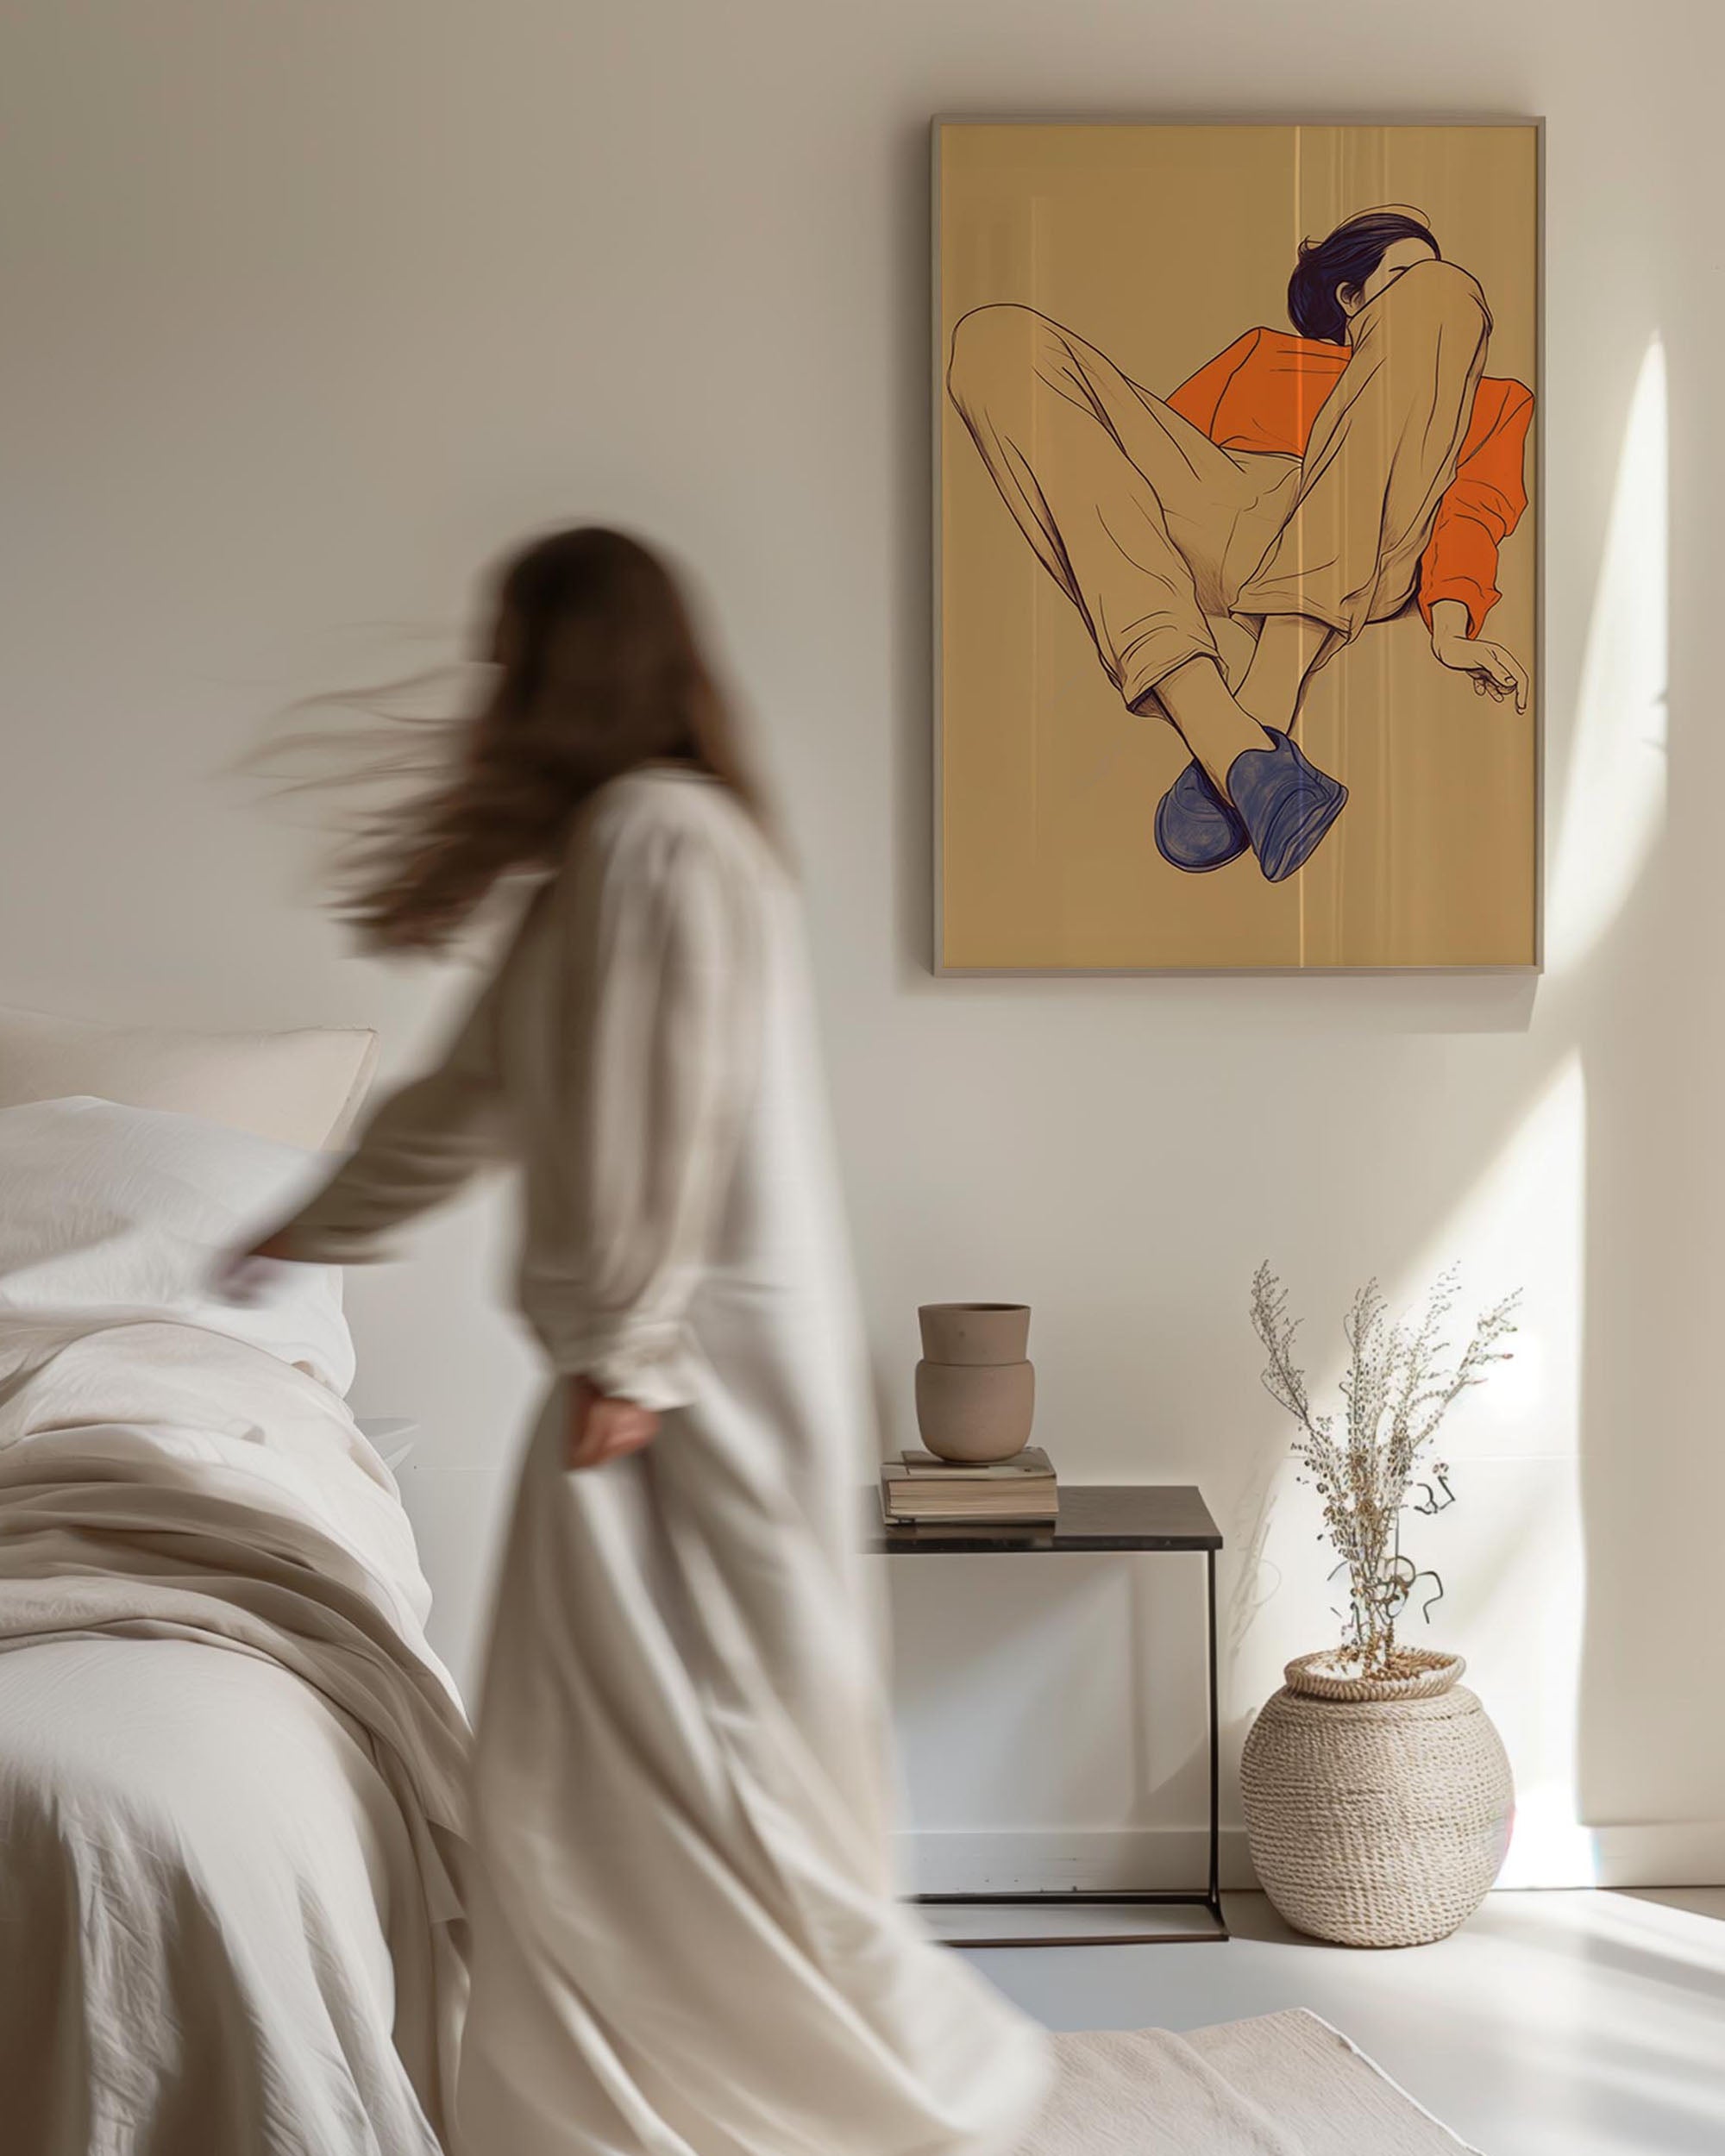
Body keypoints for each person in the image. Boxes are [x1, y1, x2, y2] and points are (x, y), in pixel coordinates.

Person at [234, 527, 1051, 2156]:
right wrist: (302, 1228)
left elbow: (662, 1108)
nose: (491, 692)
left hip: (689, 1385)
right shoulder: (615, 854)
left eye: (512, 656)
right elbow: (474, 1102)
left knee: (712, 1752)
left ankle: (790, 2104)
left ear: (569, 664)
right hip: (656, 1373)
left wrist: (625, 1343)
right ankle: (650, 2095)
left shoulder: (660, 841)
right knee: (600, 1755)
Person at [946, 207, 1534, 882]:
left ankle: (1253, 707)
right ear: (1352, 298)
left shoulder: (1489, 399)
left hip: (1369, 527)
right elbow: (1117, 480)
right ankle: (1240, 754)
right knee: (992, 337)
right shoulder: (1260, 356)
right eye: (1402, 275)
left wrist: (1453, 628)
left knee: (1447, 291)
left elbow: (1473, 512)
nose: (1422, 287)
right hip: (1225, 504)